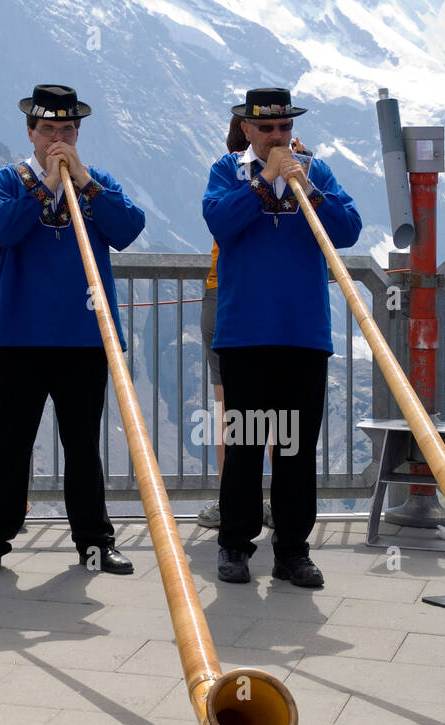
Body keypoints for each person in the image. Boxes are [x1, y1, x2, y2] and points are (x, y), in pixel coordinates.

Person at [0, 85, 145, 577]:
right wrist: (46, 185)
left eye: (68, 130)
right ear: (31, 133)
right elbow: (1, 231)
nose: (59, 138)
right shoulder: (8, 180)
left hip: (87, 337)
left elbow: (128, 230)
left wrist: (84, 181)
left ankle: (95, 542)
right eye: (49, 130)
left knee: (84, 445)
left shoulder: (97, 182)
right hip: (21, 337)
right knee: (9, 442)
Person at [202, 87, 361, 587]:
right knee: (246, 444)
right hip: (245, 333)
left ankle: (293, 549)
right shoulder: (228, 171)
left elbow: (349, 228)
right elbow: (221, 222)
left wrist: (308, 189)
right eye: (267, 129)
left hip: (302, 333)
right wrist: (267, 178)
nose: (278, 137)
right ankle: (235, 544)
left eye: (285, 128)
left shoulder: (317, 171)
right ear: (246, 129)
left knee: (295, 449)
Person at [196, 115, 273, 532]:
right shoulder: (235, 172)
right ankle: (256, 501)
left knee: (232, 412)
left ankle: (235, 502)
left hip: (226, 295)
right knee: (265, 411)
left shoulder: (231, 172)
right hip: (232, 295)